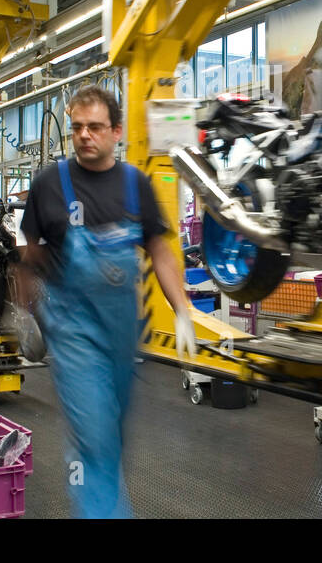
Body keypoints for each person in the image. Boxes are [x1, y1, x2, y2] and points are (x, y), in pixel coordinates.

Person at [16, 85, 195, 519]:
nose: (83, 136)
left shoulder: (137, 185)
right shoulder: (49, 184)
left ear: (116, 132)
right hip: (72, 328)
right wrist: (25, 312)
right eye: (77, 127)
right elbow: (28, 248)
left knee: (111, 433)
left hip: (121, 329)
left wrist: (183, 312)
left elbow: (160, 248)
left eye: (95, 127)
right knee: (94, 436)